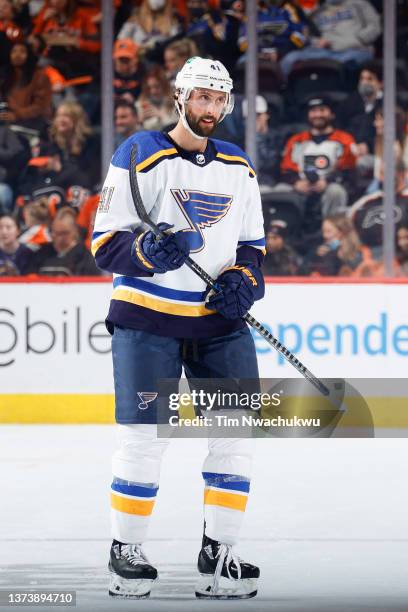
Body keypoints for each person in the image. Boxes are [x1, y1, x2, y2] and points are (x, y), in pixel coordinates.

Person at [92, 56, 265, 600]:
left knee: (235, 438)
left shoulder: (239, 165)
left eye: (218, 99)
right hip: (147, 317)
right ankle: (127, 553)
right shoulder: (139, 152)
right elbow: (103, 243)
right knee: (144, 440)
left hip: (219, 322)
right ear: (180, 98)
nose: (210, 108)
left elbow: (253, 246)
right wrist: (145, 249)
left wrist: (244, 280)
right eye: (201, 97)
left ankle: (221, 553)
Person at [280, 96, 356, 250]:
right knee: (275, 192)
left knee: (336, 191)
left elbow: (348, 169)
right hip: (301, 188)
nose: (318, 114)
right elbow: (285, 169)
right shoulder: (297, 140)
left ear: (331, 114)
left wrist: (326, 181)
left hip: (329, 186)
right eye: (314, 111)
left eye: (322, 110)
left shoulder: (344, 139)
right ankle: (285, 241)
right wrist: (296, 182)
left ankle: (333, 240)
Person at [280, 0, 381, 77]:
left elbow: (375, 27)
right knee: (290, 58)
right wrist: (317, 42)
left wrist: (358, 40)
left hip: (353, 51)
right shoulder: (320, 9)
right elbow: (309, 36)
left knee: (349, 66)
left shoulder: (359, 3)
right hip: (324, 52)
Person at [0, 40, 52, 132]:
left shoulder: (40, 76)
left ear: (29, 55)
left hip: (32, 123)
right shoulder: (5, 77)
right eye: (14, 51)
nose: (17, 55)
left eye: (22, 51)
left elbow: (40, 106)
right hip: (7, 122)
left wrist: (17, 115)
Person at [30, 207, 100, 275]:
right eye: (54, 233)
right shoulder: (44, 253)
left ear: (74, 231)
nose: (58, 238)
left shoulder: (84, 258)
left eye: (63, 233)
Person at [136, 66, 177, 131]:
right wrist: (140, 121)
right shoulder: (140, 103)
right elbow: (134, 133)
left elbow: (175, 129)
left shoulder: (175, 103)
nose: (153, 91)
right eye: (149, 88)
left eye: (157, 86)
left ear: (164, 86)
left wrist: (161, 115)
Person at [113, 38, 144, 105]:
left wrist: (135, 100)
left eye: (127, 60)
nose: (124, 64)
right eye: (121, 60)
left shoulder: (144, 73)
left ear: (136, 59)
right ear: (115, 60)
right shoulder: (107, 73)